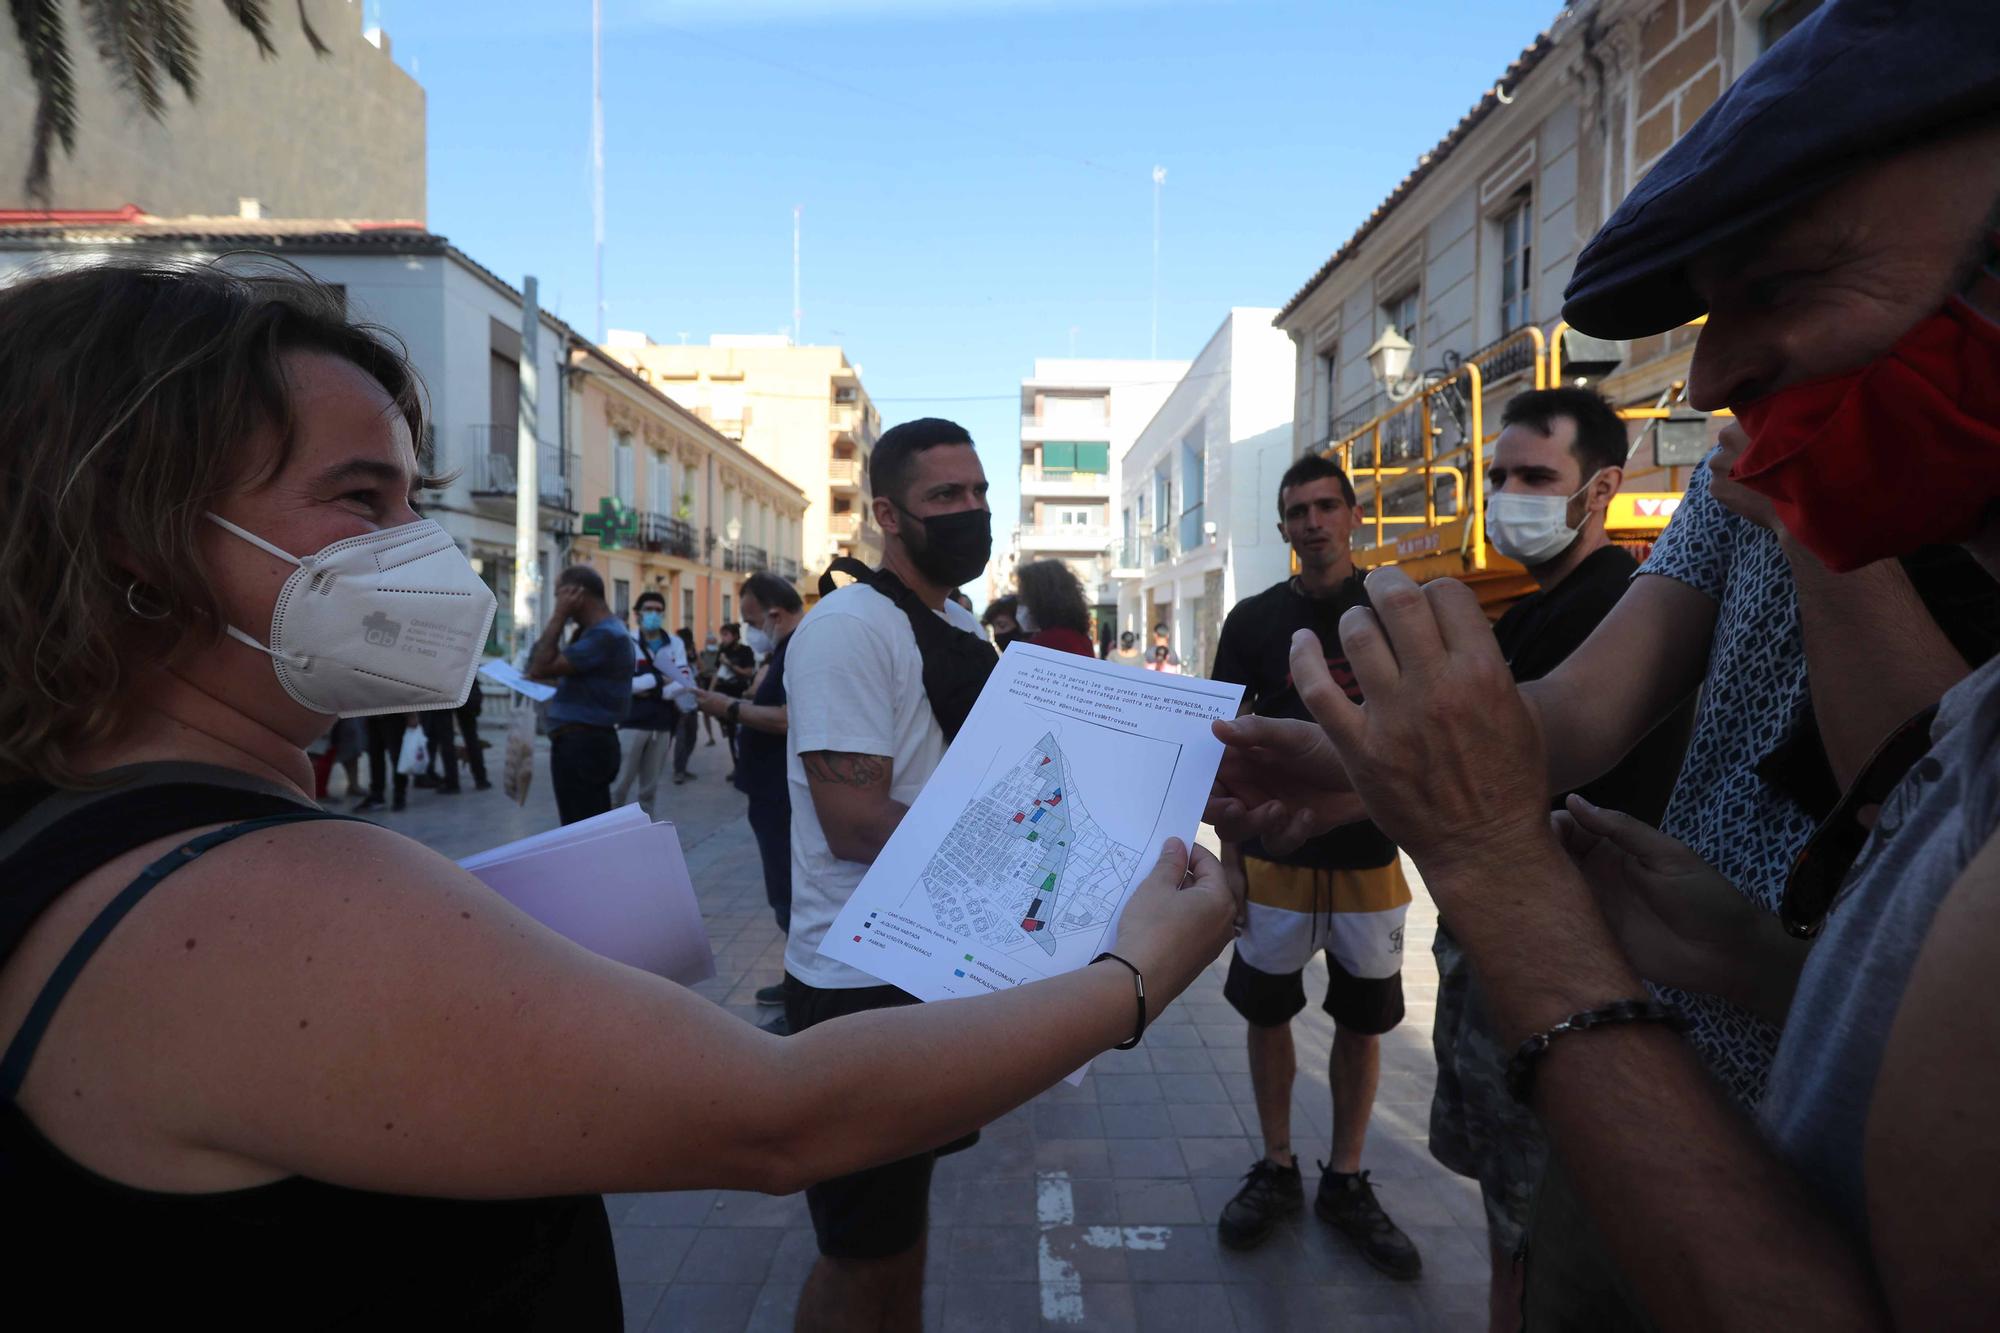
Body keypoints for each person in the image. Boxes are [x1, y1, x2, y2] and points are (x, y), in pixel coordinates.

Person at [0, 261, 1243, 1327]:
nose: (414, 549)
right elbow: (777, 1121)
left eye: (412, 499)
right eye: (358, 500)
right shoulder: (260, 898)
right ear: (138, 540)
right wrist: (1126, 977)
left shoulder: (94, 832)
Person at [1211, 5, 2000, 1325]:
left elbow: (1907, 811)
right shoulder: (1727, 495)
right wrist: (1368, 769)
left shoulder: (1809, 496)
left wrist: (1501, 873)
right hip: (1682, 1050)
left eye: (1788, 281)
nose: (1716, 370)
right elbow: (1581, 708)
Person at [1432, 386, 1694, 1330]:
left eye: (1536, 477)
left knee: (1532, 1230)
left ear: (1603, 488)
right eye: (1498, 476)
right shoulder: (1536, 612)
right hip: (1506, 955)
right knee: (1509, 1217)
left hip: (1561, 967)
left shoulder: (1611, 615)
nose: (1509, 496)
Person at [781, 416, 1003, 1331]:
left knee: (900, 1224)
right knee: (857, 1248)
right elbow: (854, 820)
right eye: (945, 497)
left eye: (980, 492)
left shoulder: (958, 618)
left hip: (932, 965)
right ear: (887, 515)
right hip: (857, 985)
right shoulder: (846, 629)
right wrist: (1012, 860)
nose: (970, 511)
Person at [1206, 454, 1421, 1279]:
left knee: (1364, 1025)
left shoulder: (1396, 611)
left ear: (1354, 515)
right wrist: (1229, 867)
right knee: (1269, 1015)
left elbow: (1426, 739)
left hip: (1370, 861)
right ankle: (1277, 1164)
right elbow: (1218, 744)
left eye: (1327, 506)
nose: (1313, 522)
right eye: (1297, 511)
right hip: (1273, 863)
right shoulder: (1252, 621)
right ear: (1283, 527)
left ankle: (1348, 1175)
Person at [695, 572, 807, 1034]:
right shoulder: (783, 649)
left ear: (775, 615)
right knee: (784, 898)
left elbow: (788, 719)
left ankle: (806, 1005)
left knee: (791, 901)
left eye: (750, 621)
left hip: (782, 797)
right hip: (770, 794)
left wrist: (728, 709)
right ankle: (796, 983)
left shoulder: (799, 648)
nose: (747, 631)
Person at [527, 566, 632, 825]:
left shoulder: (605, 635)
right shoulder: (596, 633)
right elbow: (541, 671)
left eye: (559, 595)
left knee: (582, 827)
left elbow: (539, 666)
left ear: (576, 593)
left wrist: (560, 614)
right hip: (583, 741)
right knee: (582, 823)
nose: (557, 601)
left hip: (585, 744)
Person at [613, 591, 696, 819]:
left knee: (649, 790)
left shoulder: (675, 643)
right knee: (619, 786)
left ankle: (644, 834)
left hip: (662, 725)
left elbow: (683, 680)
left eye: (659, 610)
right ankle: (611, 833)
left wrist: (650, 689)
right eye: (649, 609)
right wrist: (660, 681)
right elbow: (623, 684)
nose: (654, 614)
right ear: (637, 613)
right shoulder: (627, 642)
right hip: (632, 723)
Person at [1014, 558, 1097, 657]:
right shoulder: (1083, 640)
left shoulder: (1043, 644)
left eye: (1024, 599)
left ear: (1039, 600)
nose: (1021, 607)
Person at [356, 712, 412, 813]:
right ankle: (377, 794)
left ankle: (399, 794)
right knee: (375, 755)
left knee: (396, 756)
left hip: (393, 714)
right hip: (373, 714)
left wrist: (412, 715)